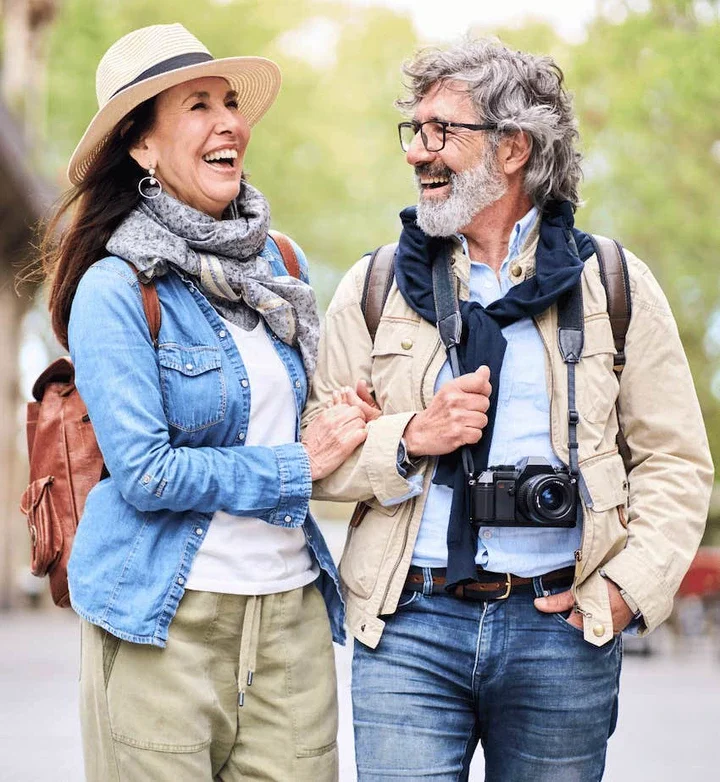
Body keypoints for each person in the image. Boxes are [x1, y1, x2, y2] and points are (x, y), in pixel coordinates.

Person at [304, 38, 713, 781]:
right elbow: (314, 457)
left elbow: (677, 462)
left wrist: (625, 595)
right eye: (414, 130)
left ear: (514, 147)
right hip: (407, 628)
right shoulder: (374, 287)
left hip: (562, 627)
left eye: (441, 132)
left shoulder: (613, 284)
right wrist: (408, 438)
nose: (417, 152)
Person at [40, 23, 364, 782]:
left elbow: (305, 411)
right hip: (163, 624)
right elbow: (147, 472)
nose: (229, 122)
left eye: (229, 103)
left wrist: (356, 419)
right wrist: (296, 466)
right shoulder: (116, 289)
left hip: (290, 624)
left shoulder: (281, 264)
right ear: (142, 148)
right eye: (196, 106)